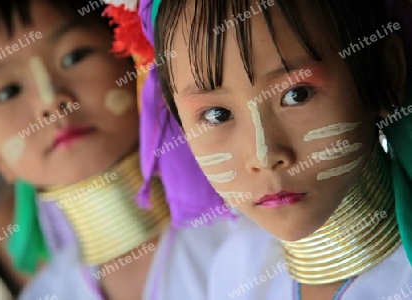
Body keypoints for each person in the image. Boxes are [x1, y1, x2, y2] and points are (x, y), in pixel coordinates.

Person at [0, 0, 231, 299]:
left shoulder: (253, 230)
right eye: (8, 91)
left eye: (74, 56)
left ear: (135, 63)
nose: (51, 100)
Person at [149, 0, 412, 298]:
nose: (264, 155)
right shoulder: (236, 271)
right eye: (217, 115)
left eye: (297, 94)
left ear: (385, 74)